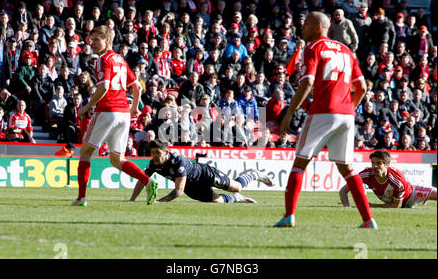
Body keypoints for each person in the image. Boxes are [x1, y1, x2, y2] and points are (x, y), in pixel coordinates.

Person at [274, 12, 377, 229]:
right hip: (347, 114)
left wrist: (290, 112)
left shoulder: (312, 48)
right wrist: (350, 108)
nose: (302, 27)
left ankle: (289, 216)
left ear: (319, 27)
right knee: (347, 168)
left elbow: (307, 82)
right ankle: (369, 220)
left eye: (306, 24)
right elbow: (363, 87)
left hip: (323, 111)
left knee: (300, 163)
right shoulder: (347, 51)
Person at [71, 25, 157, 207]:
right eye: (91, 39)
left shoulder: (103, 59)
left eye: (96, 39)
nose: (92, 43)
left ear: (107, 40)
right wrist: (134, 108)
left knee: (85, 152)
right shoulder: (121, 60)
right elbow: (138, 87)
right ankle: (147, 181)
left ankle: (81, 198)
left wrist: (86, 107)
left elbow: (103, 87)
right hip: (124, 114)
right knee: (117, 159)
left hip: (107, 111)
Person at [129, 139, 274, 204]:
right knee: (218, 201)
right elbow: (142, 180)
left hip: (206, 175)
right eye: (152, 153)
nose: (154, 156)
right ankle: (237, 199)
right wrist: (132, 199)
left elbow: (178, 191)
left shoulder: (178, 162)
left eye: (157, 153)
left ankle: (254, 174)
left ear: (166, 152)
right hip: (191, 188)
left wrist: (159, 202)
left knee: (238, 187)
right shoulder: (153, 164)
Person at [340, 150, 437, 208]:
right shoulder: (366, 175)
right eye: (373, 163)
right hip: (394, 201)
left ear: (387, 165)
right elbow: (343, 191)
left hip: (411, 195)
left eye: (379, 163)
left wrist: (372, 205)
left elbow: (396, 206)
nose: (375, 166)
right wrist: (347, 207)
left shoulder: (396, 180)